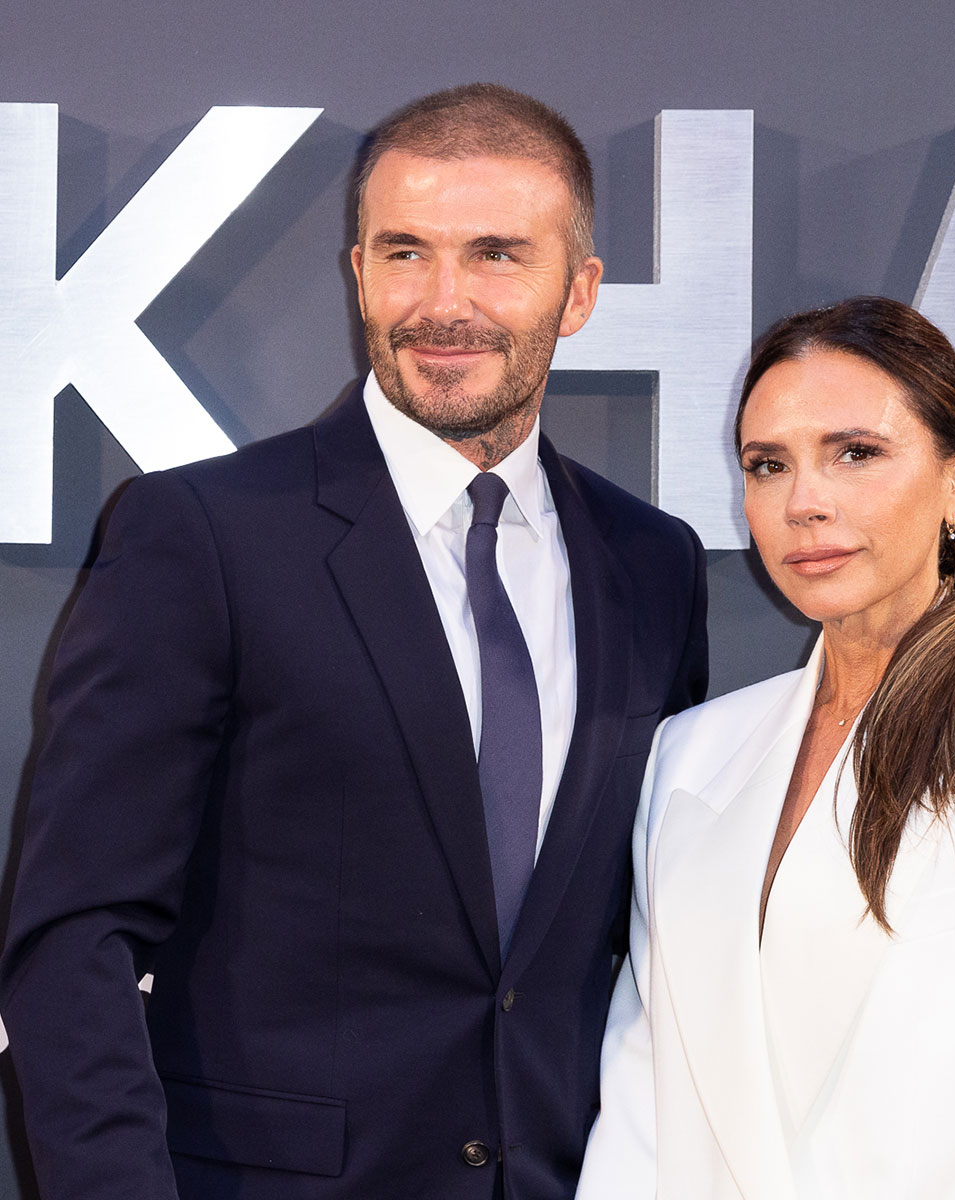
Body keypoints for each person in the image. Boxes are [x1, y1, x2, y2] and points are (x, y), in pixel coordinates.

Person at [0, 83, 707, 1200]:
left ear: (578, 293)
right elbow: (74, 938)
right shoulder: (203, 535)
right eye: (404, 252)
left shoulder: (653, 562)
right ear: (359, 274)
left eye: (495, 255)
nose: (442, 302)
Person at [576, 296, 955, 1200]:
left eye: (856, 453)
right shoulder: (692, 753)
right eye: (768, 465)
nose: (804, 503)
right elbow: (644, 1105)